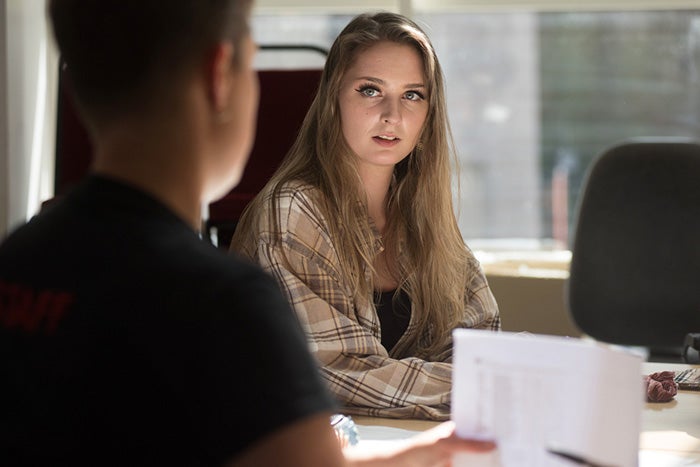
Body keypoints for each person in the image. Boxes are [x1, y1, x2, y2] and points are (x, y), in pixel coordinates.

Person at [0, 1, 496, 466]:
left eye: (412, 95)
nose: (393, 113)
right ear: (221, 76)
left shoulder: (17, 260)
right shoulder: (220, 304)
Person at [230, 11, 501, 421]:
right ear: (333, 100)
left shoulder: (423, 213)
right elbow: (342, 372)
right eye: (371, 90)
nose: (393, 115)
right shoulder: (294, 211)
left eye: (413, 95)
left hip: (405, 443)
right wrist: (488, 383)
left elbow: (482, 341)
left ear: (429, 116)